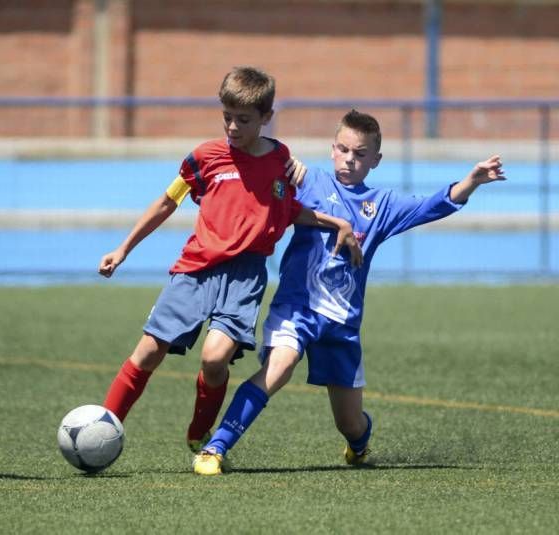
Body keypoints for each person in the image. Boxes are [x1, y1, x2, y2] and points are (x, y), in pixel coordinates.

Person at [193, 109, 506, 475]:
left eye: (359, 154)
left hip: (341, 324)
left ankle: (358, 444)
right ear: (332, 149)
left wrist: (471, 180)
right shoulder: (308, 182)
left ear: (375, 159)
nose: (349, 160)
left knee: (350, 423)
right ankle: (216, 448)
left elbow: (430, 205)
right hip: (297, 308)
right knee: (278, 368)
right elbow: (266, 175)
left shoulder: (382, 205)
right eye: (343, 150)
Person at [98, 66, 363, 454]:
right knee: (149, 350)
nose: (233, 127)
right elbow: (167, 202)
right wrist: (123, 249)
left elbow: (288, 210)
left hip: (245, 276)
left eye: (243, 119)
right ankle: (103, 425)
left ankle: (199, 430)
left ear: (265, 118)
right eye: (227, 117)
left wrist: (335, 221)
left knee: (215, 357)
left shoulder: (280, 160)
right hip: (196, 269)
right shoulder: (205, 157)